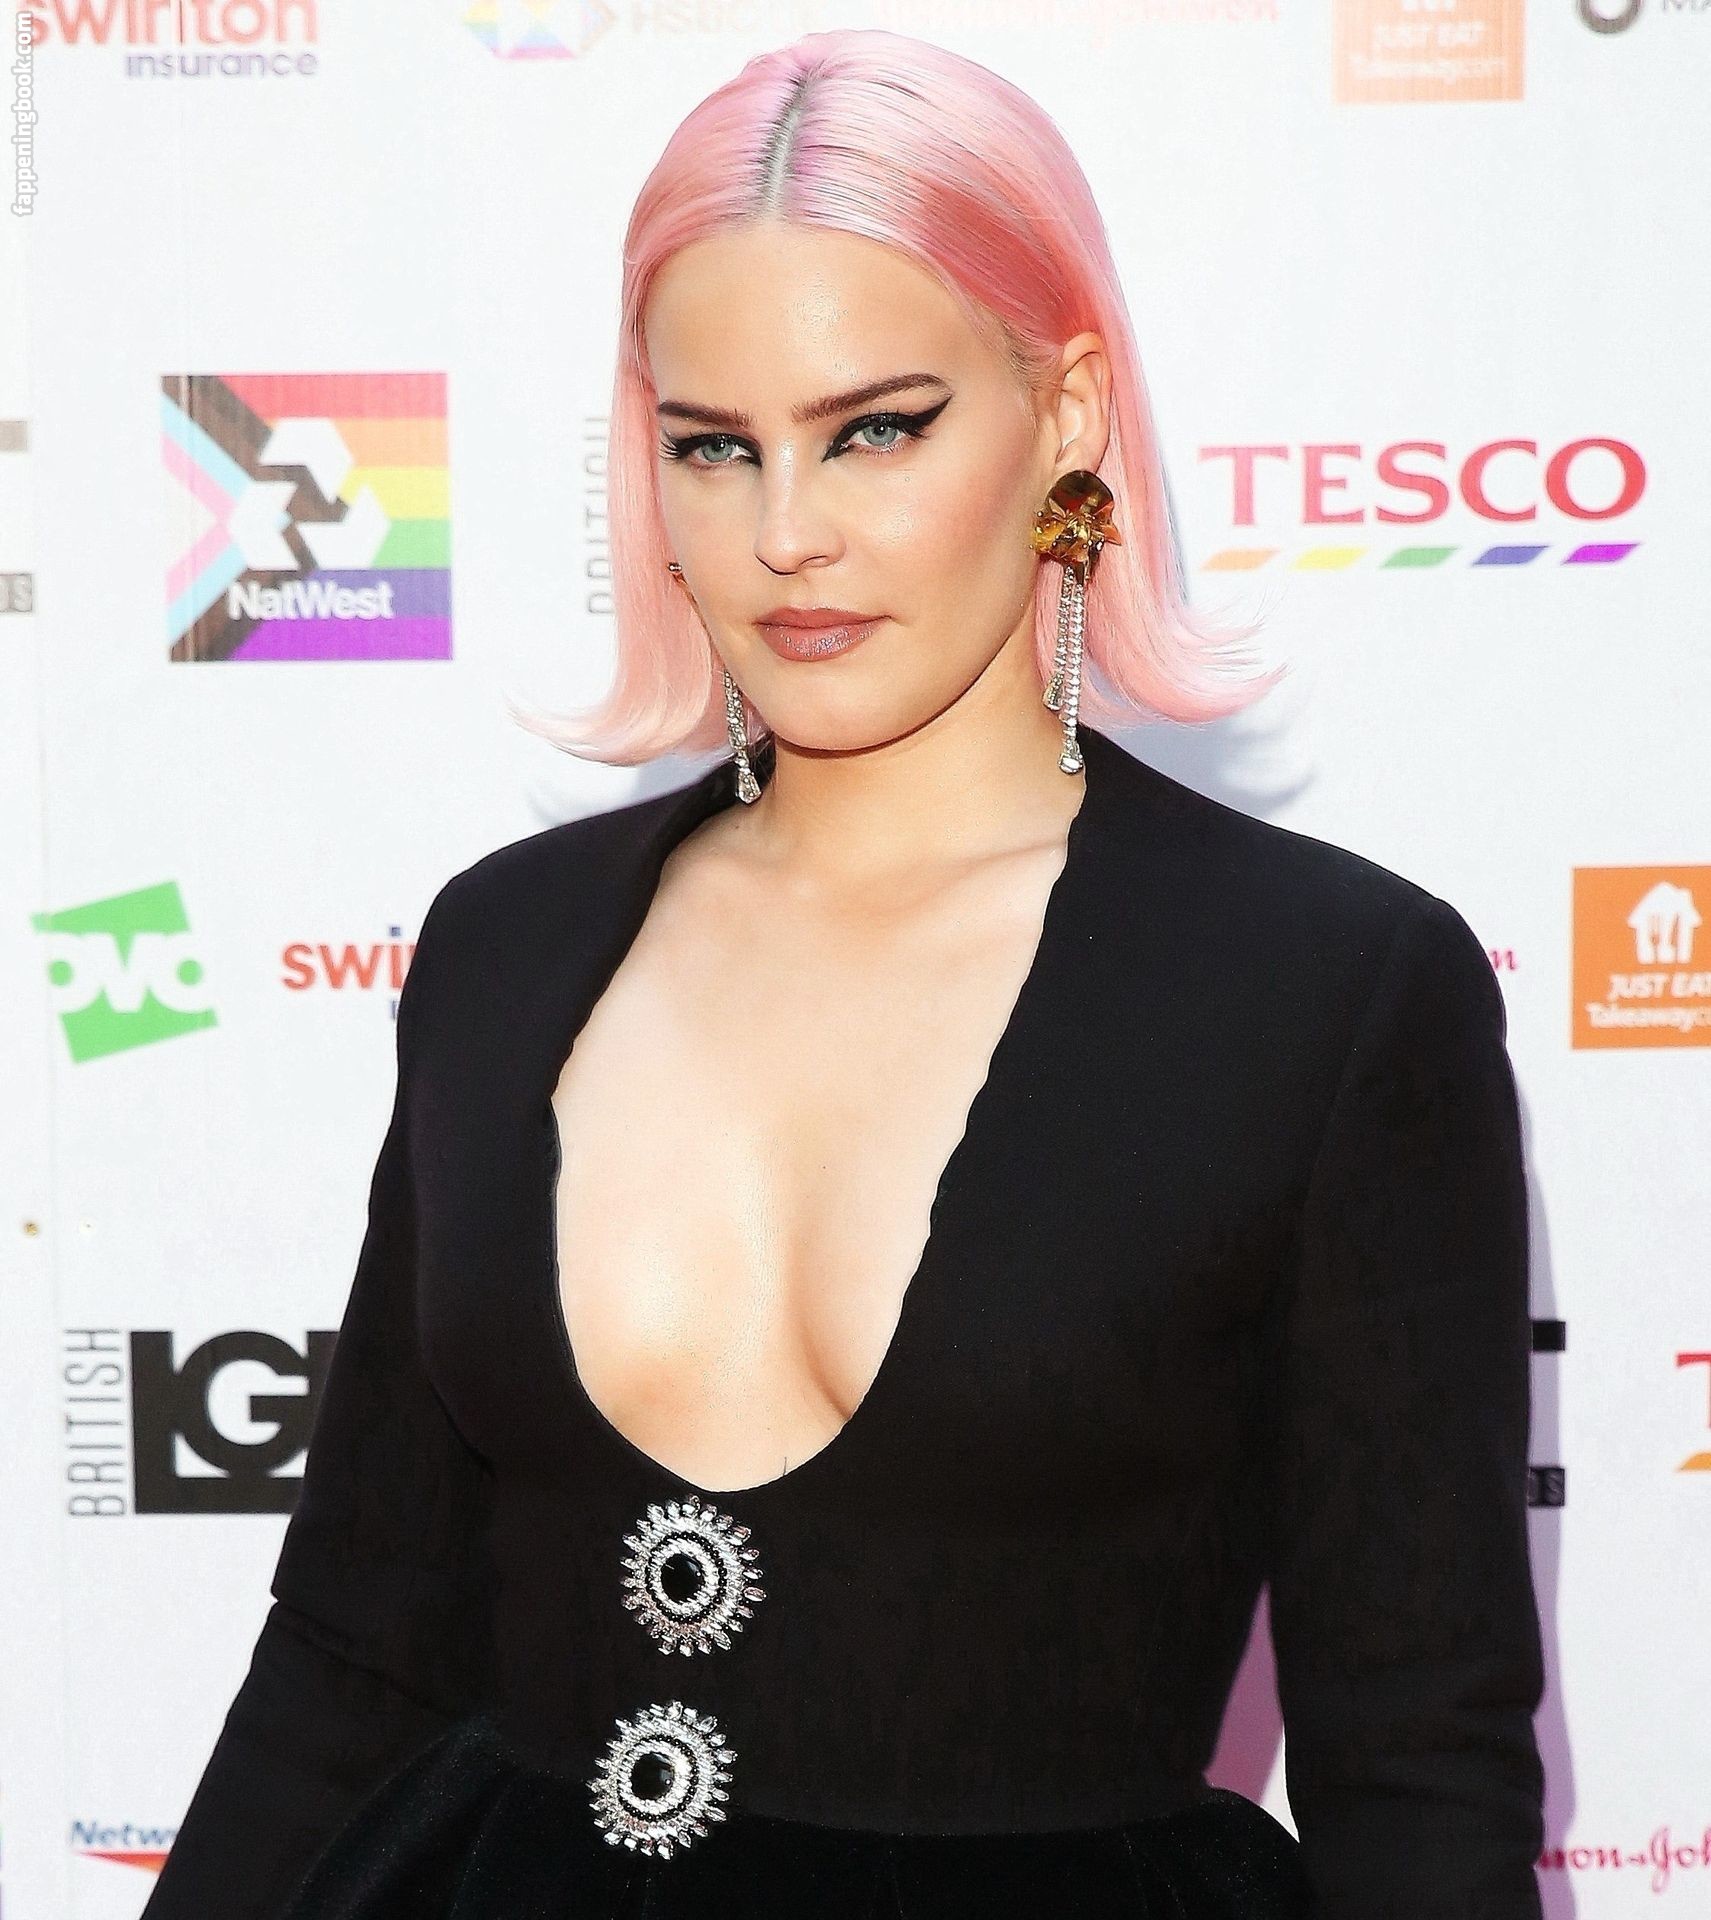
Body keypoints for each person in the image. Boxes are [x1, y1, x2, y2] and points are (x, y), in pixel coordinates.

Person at [142, 28, 1547, 1920]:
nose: (785, 533)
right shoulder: (505, 948)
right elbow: (353, 1649)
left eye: (876, 428)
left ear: (1064, 413)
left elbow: (1418, 1757)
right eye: (713, 447)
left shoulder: (1331, 995)